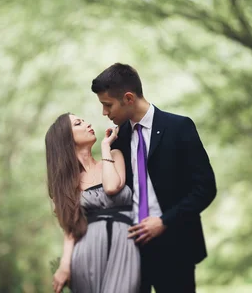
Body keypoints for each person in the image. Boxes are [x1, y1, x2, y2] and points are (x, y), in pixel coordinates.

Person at [91, 63, 217, 293]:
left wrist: (164, 221)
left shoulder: (179, 127)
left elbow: (205, 188)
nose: (104, 113)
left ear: (128, 98)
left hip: (176, 247)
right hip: (131, 251)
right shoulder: (117, 139)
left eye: (107, 105)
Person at [45, 113, 140, 293]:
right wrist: (65, 264)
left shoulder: (113, 155)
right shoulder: (66, 184)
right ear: (66, 137)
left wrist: (105, 146)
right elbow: (70, 229)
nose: (86, 123)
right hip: (86, 250)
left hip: (125, 243)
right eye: (78, 123)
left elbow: (112, 186)